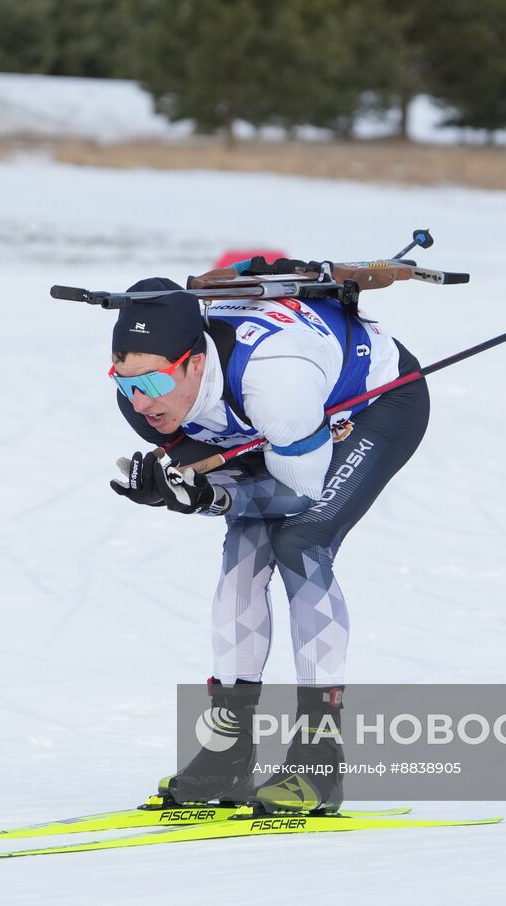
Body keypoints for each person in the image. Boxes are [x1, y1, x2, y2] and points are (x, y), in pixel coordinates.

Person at [106, 264, 430, 815]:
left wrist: (206, 498)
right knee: (244, 548)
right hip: (272, 428)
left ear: (197, 362)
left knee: (300, 541)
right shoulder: (143, 404)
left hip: (375, 406)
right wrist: (189, 490)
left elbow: (299, 494)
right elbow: (235, 490)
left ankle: (320, 759)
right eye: (126, 383)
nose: (141, 402)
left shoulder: (276, 383)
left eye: (155, 383)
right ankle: (228, 749)